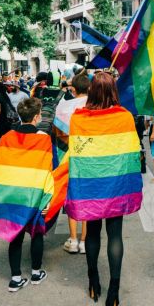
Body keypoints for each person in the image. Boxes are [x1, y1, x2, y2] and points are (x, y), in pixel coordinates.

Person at [64, 72, 143, 306]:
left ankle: (93, 281)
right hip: (116, 186)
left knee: (94, 231)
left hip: (90, 185)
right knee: (115, 234)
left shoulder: (79, 119)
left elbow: (75, 153)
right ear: (114, 91)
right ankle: (114, 292)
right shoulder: (124, 117)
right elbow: (132, 154)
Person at [0, 98, 56, 291]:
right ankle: (36, 273)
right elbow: (47, 169)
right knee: (36, 233)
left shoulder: (7, 137)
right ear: (36, 117)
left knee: (15, 235)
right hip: (34, 194)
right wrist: (47, 198)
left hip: (11, 194)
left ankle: (15, 278)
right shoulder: (43, 139)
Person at [53, 71, 90, 254]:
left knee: (72, 198)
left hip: (69, 157)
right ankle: (85, 241)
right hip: (89, 157)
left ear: (73, 89)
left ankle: (73, 239)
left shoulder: (63, 107)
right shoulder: (94, 107)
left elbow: (58, 133)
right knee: (88, 197)